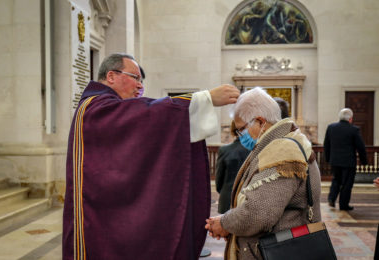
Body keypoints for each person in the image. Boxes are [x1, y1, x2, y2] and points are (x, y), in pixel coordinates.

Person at [62, 53, 240, 260]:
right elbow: (144, 114)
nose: (140, 86)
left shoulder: (105, 106)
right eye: (135, 77)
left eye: (141, 81)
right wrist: (204, 99)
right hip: (95, 218)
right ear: (111, 76)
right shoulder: (95, 108)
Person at [204, 87, 322, 259]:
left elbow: (258, 214)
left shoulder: (282, 150)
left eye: (241, 129)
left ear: (260, 121)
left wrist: (224, 223)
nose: (240, 135)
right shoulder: (281, 143)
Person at [324, 108, 367, 211]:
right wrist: (364, 161)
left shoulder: (331, 127)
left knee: (336, 180)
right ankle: (343, 205)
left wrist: (328, 158)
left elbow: (326, 144)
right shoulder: (354, 129)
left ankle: (331, 199)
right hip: (348, 162)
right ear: (350, 119)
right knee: (347, 184)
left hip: (335, 161)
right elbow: (360, 147)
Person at [215, 121, 250, 214]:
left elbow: (219, 180)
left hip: (227, 199)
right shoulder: (254, 149)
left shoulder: (224, 150)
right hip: (248, 199)